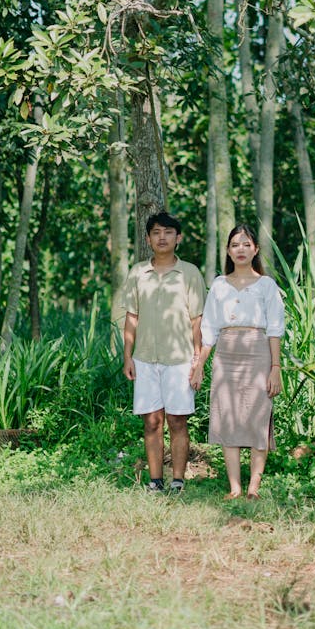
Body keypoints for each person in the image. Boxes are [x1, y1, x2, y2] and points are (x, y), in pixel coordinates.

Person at [190, 224, 285, 500]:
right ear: (228, 252)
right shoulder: (219, 284)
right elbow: (209, 331)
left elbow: (275, 329)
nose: (240, 249)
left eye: (246, 244)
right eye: (235, 245)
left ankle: (254, 486)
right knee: (227, 416)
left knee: (257, 416)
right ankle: (235, 487)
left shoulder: (267, 285)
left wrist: (275, 368)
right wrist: (199, 367)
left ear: (255, 249)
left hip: (258, 353)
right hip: (226, 355)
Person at [122, 211, 207, 494]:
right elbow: (131, 317)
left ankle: (178, 480)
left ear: (178, 237)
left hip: (180, 358)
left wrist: (199, 361)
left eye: (168, 232)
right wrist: (128, 356)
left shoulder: (190, 273)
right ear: (148, 238)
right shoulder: (137, 273)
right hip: (144, 358)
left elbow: (197, 320)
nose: (162, 237)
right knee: (151, 421)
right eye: (156, 232)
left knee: (177, 420)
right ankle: (155, 481)